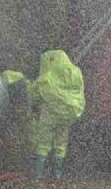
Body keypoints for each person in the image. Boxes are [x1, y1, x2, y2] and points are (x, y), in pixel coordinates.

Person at [26, 49, 85, 179]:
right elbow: (79, 92)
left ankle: (39, 173)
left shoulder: (48, 75)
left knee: (43, 143)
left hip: (50, 114)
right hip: (69, 114)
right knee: (61, 144)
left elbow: (35, 93)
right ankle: (57, 173)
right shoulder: (75, 72)